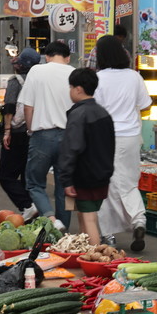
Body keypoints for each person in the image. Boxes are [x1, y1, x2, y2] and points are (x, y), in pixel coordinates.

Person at [93, 35, 151, 250]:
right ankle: (138, 220)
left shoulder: (99, 78)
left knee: (105, 184)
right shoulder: (134, 76)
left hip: (106, 137)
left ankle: (108, 234)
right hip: (132, 137)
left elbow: (94, 110)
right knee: (128, 182)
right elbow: (145, 104)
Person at [19, 40, 75, 230]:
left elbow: (28, 105)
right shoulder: (74, 73)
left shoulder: (36, 71)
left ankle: (51, 219)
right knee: (65, 187)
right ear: (67, 58)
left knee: (34, 183)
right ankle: (64, 229)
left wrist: (30, 129)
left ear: (47, 56)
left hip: (42, 135)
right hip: (69, 138)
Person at [57, 68, 114, 245]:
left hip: (84, 175)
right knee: (85, 215)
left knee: (88, 218)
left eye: (71, 87)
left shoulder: (78, 114)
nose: (70, 91)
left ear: (78, 89)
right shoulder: (104, 113)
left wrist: (66, 179)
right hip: (102, 174)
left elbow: (71, 148)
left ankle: (96, 256)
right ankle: (85, 253)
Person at [0, 47, 41, 219]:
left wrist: (7, 130)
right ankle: (31, 215)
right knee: (26, 176)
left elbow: (9, 107)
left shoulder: (15, 81)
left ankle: (27, 205)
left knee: (5, 175)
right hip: (33, 133)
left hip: (16, 133)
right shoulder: (38, 81)